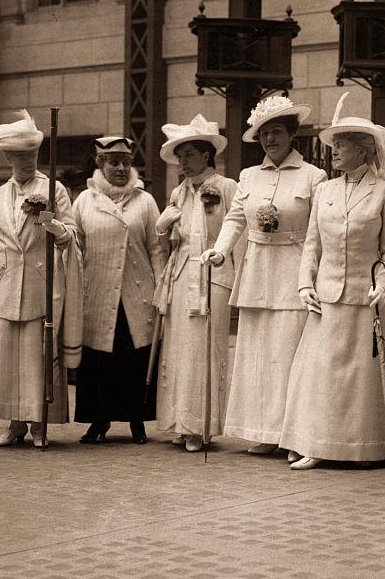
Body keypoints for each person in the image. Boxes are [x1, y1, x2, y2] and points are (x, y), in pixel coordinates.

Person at [278, 93, 385, 469]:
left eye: (343, 144)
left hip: (365, 297)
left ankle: (363, 446)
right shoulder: (325, 191)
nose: (335, 150)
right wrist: (305, 285)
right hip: (326, 296)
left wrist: (384, 285)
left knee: (359, 376)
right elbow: (311, 246)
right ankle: (315, 443)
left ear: (364, 151)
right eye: (334, 143)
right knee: (322, 374)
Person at [200, 95, 326, 457]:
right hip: (257, 273)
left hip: (294, 270)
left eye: (276, 132)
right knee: (259, 356)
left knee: (289, 355)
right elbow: (236, 218)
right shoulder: (248, 176)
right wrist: (221, 250)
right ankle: (264, 431)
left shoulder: (314, 176)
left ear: (291, 135)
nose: (270, 139)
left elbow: (319, 229)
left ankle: (293, 434)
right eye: (264, 134)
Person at [0, 110, 82, 448]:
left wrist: (51, 224)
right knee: (9, 359)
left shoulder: (54, 187)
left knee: (38, 358)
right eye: (19, 156)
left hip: (42, 282)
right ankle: (14, 425)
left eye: (31, 155)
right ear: (8, 156)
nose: (25, 161)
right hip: (7, 283)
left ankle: (39, 424)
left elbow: (72, 235)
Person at [71, 136, 167, 444]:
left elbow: (156, 247)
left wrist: (162, 286)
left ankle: (136, 421)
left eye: (126, 162)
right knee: (100, 360)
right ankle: (99, 421)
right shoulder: (84, 201)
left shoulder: (145, 201)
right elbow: (76, 247)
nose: (122, 168)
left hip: (136, 293)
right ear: (101, 164)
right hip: (98, 293)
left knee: (133, 357)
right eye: (114, 162)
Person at [154, 114, 237, 452]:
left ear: (206, 155)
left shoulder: (226, 187)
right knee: (178, 351)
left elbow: (238, 232)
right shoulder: (179, 192)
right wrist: (162, 228)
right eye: (180, 156)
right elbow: (170, 243)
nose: (183, 162)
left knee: (203, 350)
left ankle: (200, 427)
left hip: (212, 275)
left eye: (189, 154)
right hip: (181, 273)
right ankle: (179, 421)